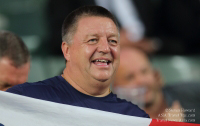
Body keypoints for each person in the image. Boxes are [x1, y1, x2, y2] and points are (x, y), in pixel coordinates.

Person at [7, 6, 148, 118]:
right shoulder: (24, 100)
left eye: (113, 41)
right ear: (67, 51)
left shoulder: (135, 118)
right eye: (93, 40)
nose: (106, 48)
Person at [113, 47, 200, 123]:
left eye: (144, 71)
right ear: (116, 88)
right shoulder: (116, 122)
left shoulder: (191, 94)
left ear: (155, 73)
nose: (141, 81)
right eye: (130, 77)